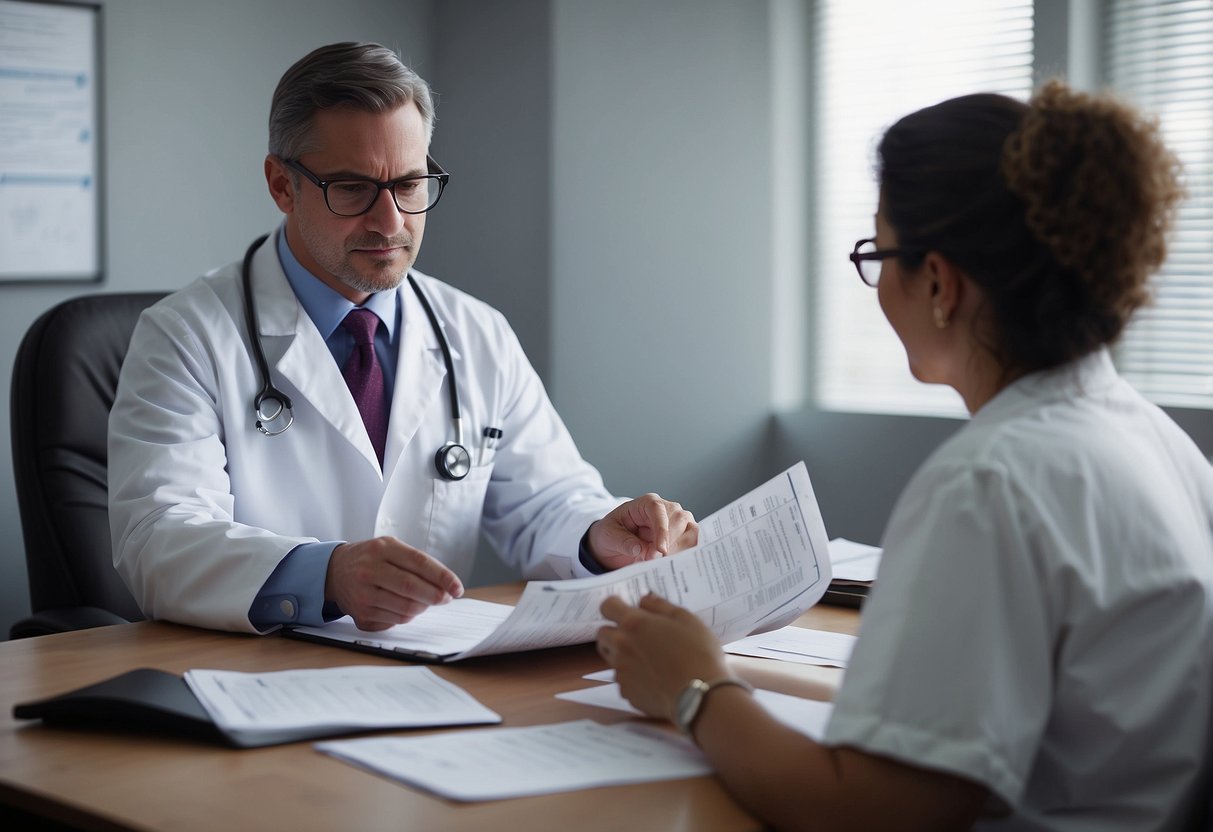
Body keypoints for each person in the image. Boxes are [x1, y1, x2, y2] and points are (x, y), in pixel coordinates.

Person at [596, 80, 1213, 831]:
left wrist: (694, 688)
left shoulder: (988, 482)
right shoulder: (1156, 442)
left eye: (879, 251)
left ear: (939, 281)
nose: (877, 282)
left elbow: (870, 811)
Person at [107, 41, 696, 635]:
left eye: (410, 185)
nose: (390, 222)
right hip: (249, 675)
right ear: (282, 186)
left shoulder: (476, 331)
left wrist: (601, 537)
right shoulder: (184, 336)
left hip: (428, 679)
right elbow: (158, 538)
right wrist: (328, 575)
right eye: (353, 189)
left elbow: (547, 502)